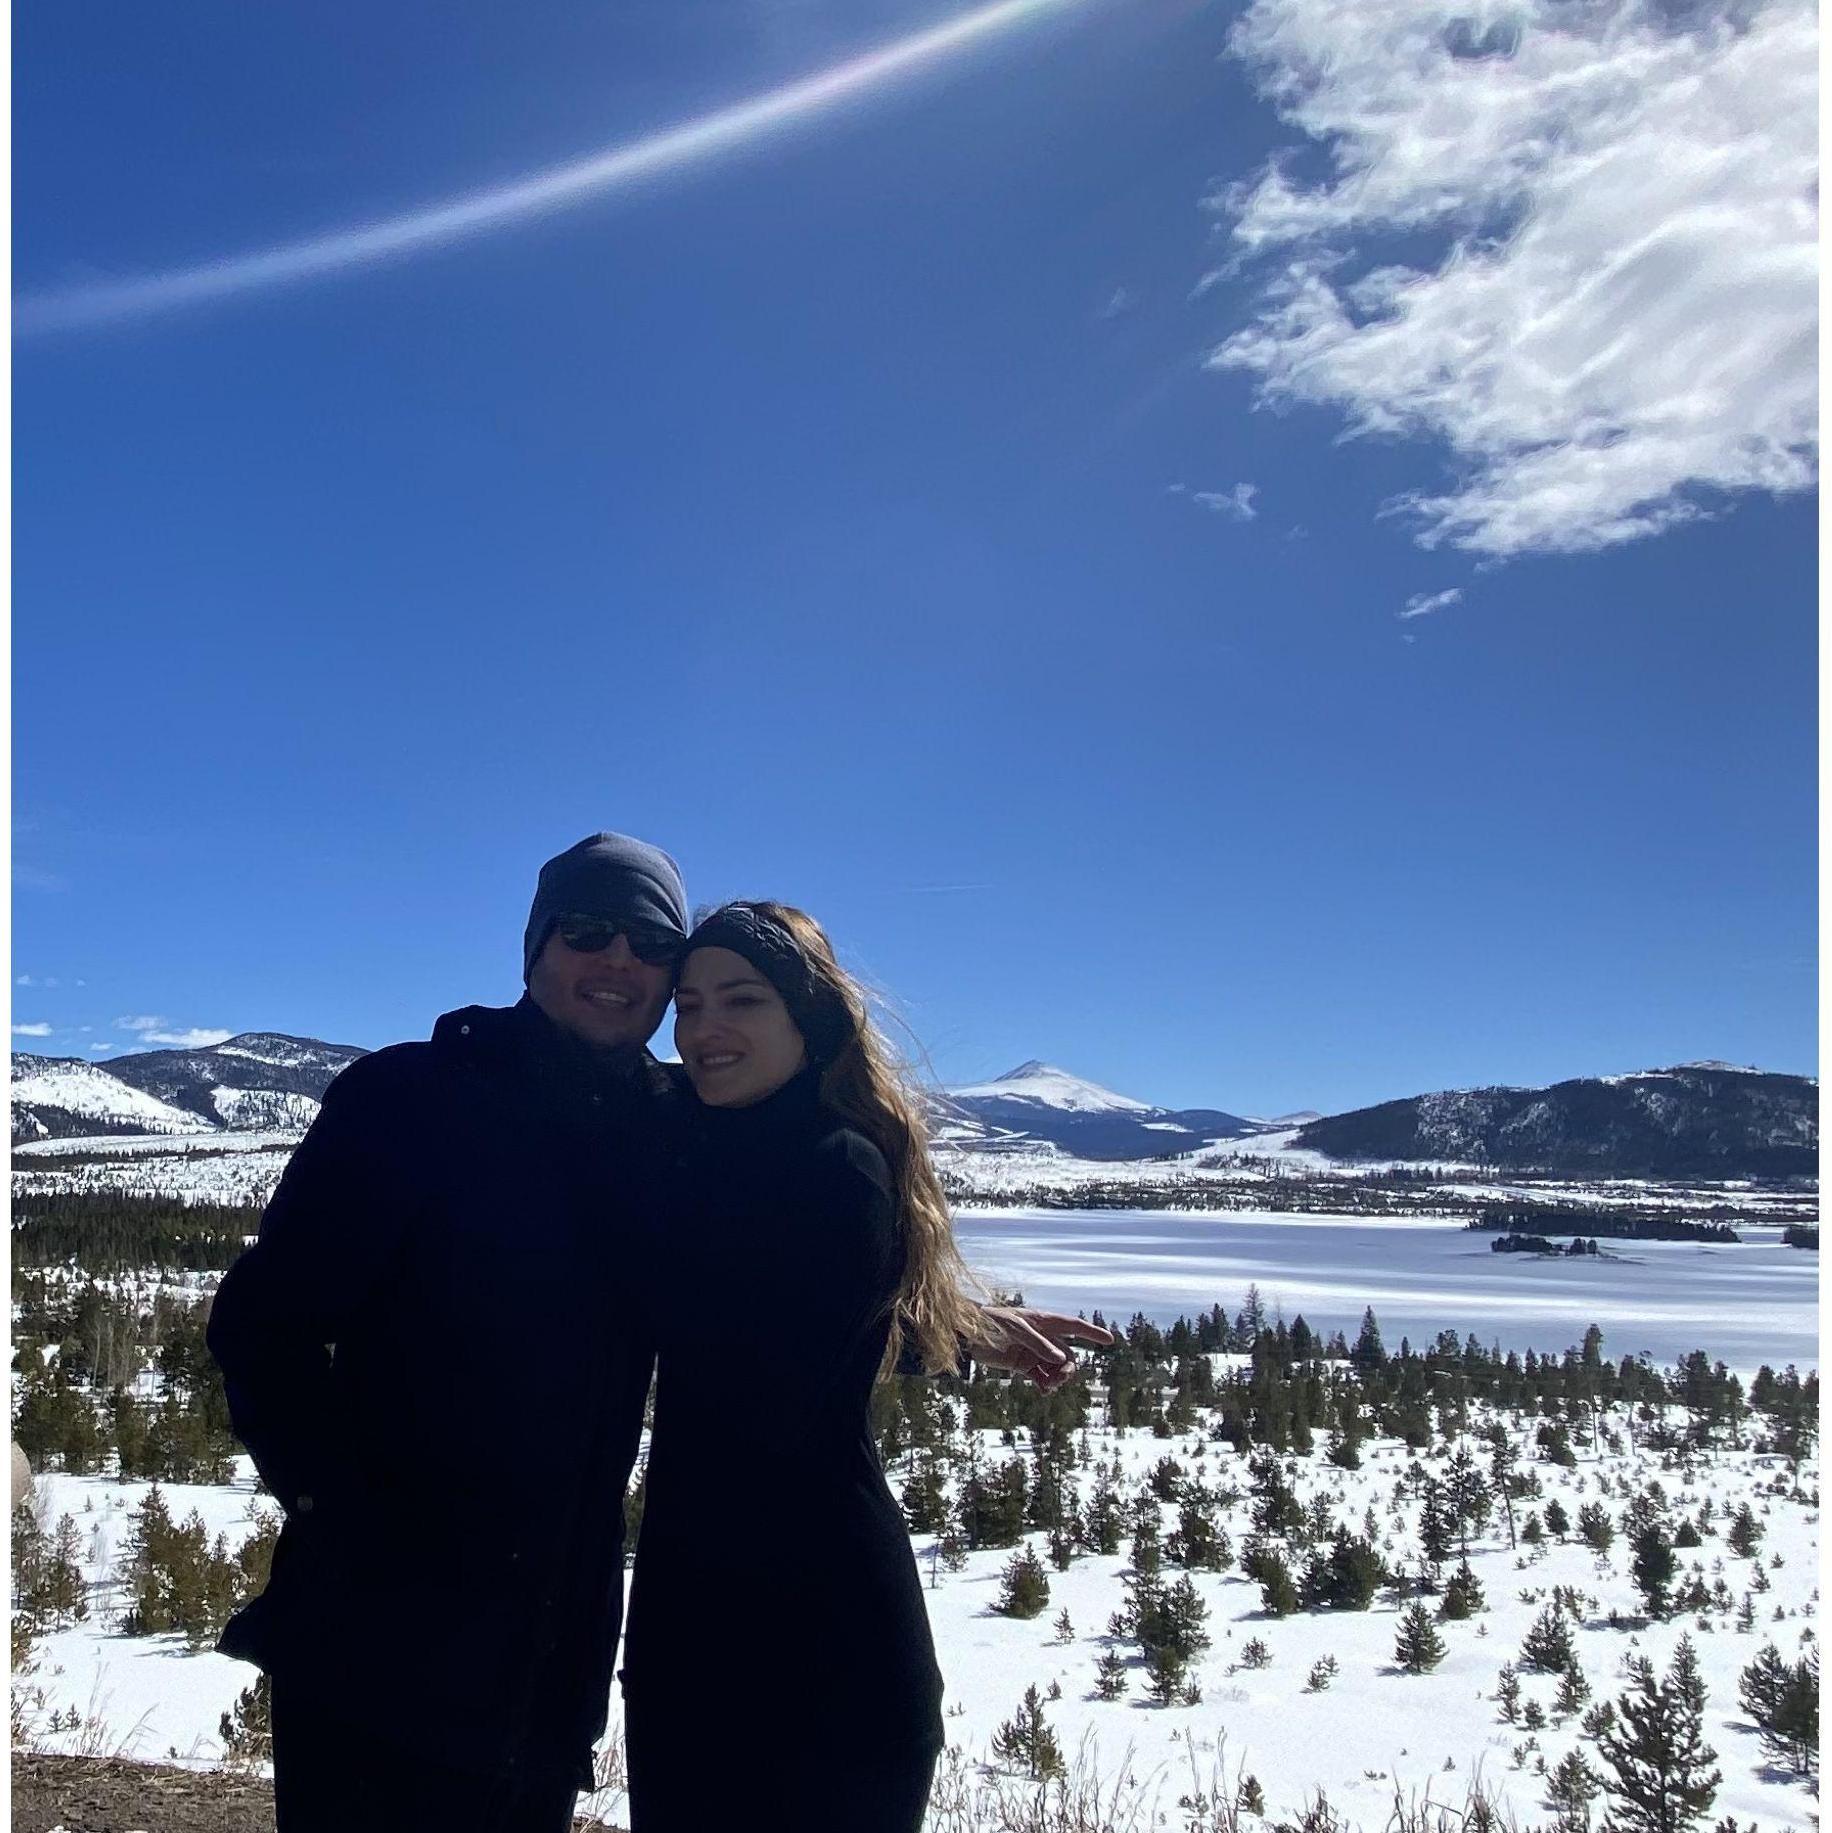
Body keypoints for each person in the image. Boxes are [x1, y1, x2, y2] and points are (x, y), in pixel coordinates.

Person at [206, 833, 1109, 1832]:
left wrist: (948, 1320)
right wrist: (343, 1513)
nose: (619, 961)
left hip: (552, 1668)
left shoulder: (670, 1123)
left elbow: (773, 1290)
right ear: (535, 949)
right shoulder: (412, 1101)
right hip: (379, 1654)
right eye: (589, 931)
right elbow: (264, 1326)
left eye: (649, 945)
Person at [621, 901, 983, 1831]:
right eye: (688, 1004)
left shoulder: (835, 1166)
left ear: (807, 1018)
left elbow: (762, 1384)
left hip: (822, 1647)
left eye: (742, 999)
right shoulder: (709, 1140)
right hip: (693, 1624)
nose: (705, 1029)